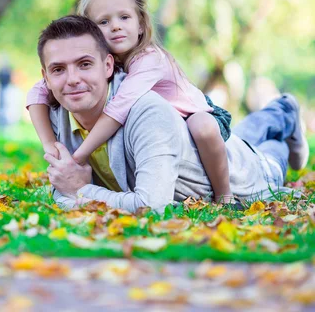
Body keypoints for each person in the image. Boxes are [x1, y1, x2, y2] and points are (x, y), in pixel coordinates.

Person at [34, 15, 309, 213]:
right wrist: (73, 190)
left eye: (84, 64)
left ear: (108, 66)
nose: (71, 79)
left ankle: (284, 110)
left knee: (271, 153)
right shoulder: (58, 114)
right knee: (244, 135)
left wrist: (81, 192)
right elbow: (60, 190)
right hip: (212, 144)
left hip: (248, 172)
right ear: (46, 77)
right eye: (58, 69)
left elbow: (151, 206)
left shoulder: (147, 112)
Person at [28, 0, 234, 204]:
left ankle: (224, 195)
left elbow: (118, 110)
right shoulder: (106, 61)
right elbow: (37, 92)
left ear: (141, 25)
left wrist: (77, 158)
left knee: (202, 127)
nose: (115, 26)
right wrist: (51, 148)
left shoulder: (149, 59)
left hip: (194, 112)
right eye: (104, 22)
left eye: (124, 18)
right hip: (165, 121)